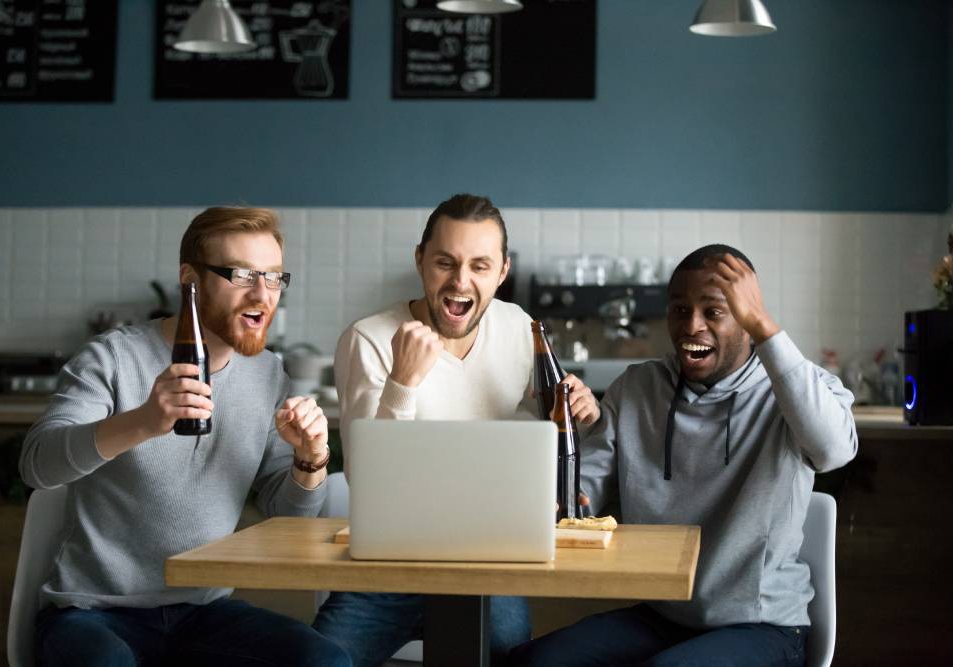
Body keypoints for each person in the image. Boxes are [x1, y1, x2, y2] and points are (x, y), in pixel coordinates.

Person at [19, 207, 351, 667]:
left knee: (323, 661)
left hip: (203, 611)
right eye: (242, 275)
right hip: (94, 612)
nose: (263, 293)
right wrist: (144, 421)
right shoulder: (112, 359)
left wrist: (310, 460)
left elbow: (286, 512)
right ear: (190, 280)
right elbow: (37, 464)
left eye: (274, 277)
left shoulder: (268, 374)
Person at [510, 244, 858, 667]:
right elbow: (579, 501)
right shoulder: (638, 387)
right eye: (679, 310)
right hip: (662, 616)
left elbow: (834, 451)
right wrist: (563, 458)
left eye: (713, 312)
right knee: (532, 662)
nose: (691, 326)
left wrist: (768, 329)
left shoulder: (795, 389)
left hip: (763, 626)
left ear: (749, 320)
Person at [312, 193, 599, 667]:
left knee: (509, 654)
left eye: (479, 266)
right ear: (420, 260)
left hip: (487, 562)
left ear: (502, 272)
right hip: (390, 564)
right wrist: (402, 382)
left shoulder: (519, 327)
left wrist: (580, 413)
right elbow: (368, 478)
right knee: (319, 660)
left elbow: (547, 433)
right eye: (445, 262)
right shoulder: (370, 339)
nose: (460, 281)